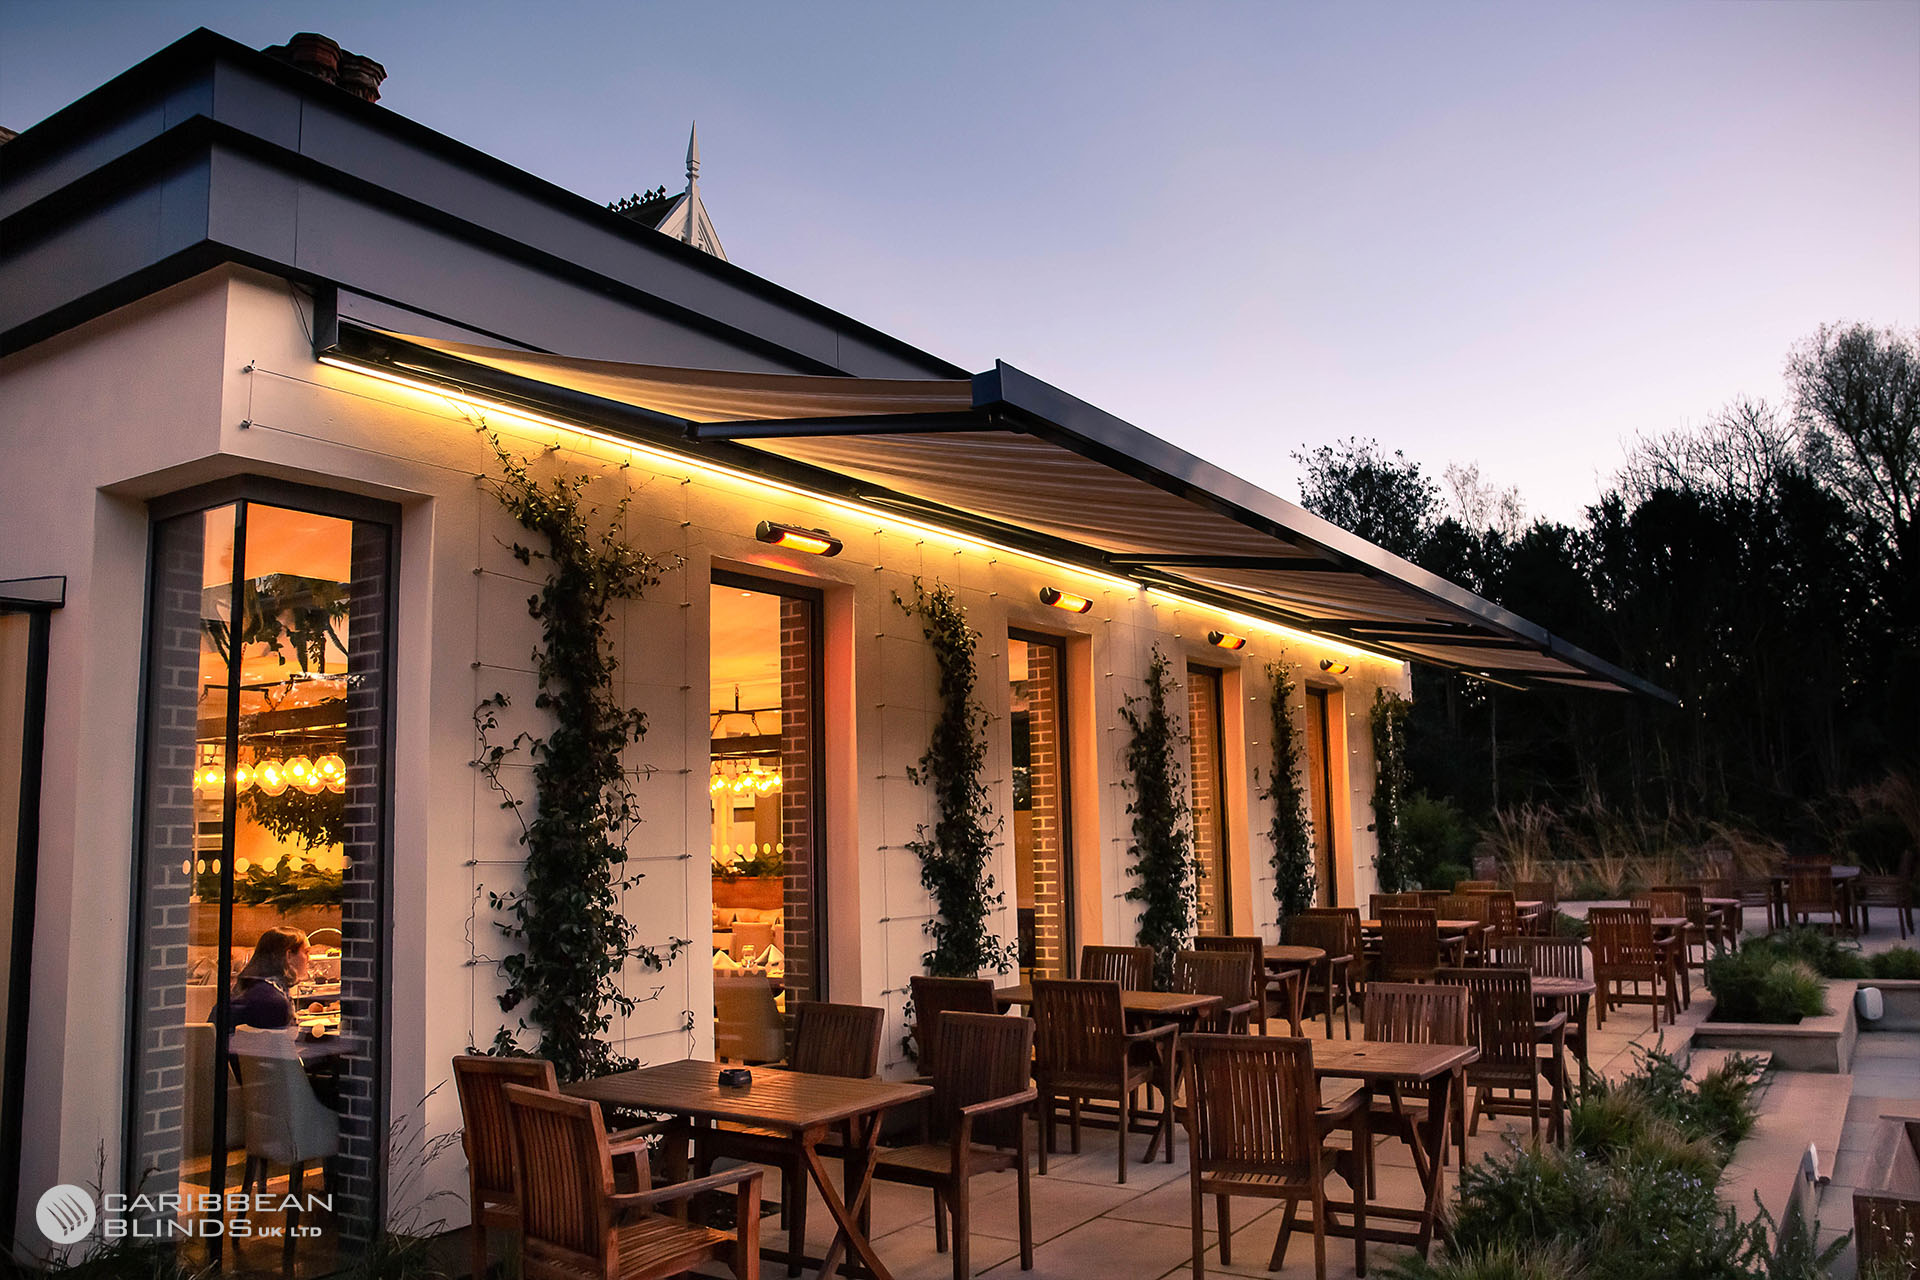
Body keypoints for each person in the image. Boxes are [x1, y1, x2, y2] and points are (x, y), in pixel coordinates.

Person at [230, 926, 310, 1029]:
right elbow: (278, 1043)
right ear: (289, 956)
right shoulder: (271, 1000)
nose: (309, 958)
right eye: (306, 952)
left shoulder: (254, 986)